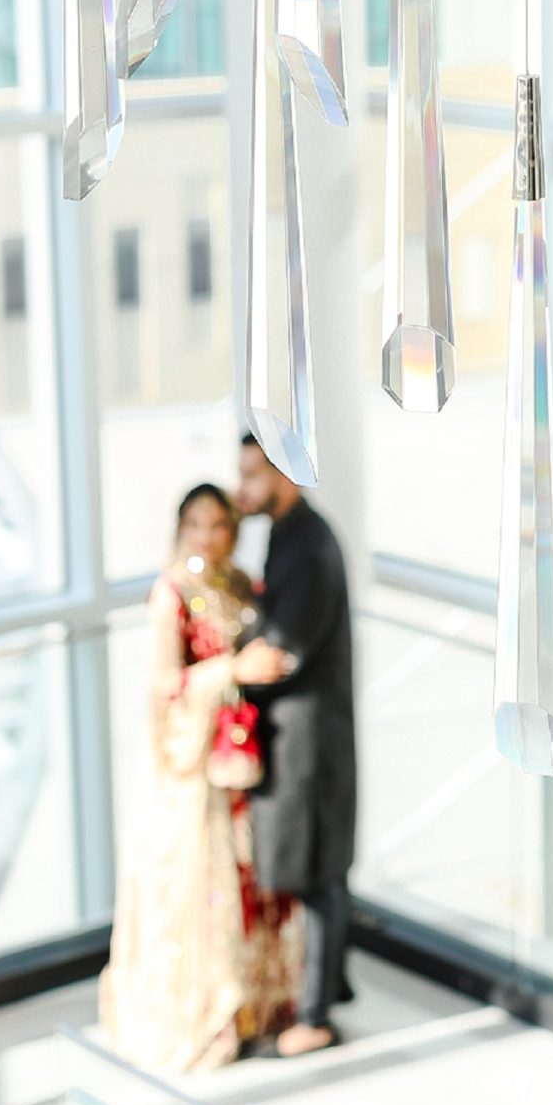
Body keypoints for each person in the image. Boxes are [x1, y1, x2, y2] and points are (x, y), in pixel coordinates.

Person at [99, 484, 301, 1072]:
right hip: (191, 773)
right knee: (202, 891)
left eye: (217, 525)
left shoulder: (236, 585)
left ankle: (252, 1006)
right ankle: (207, 1012)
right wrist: (230, 671)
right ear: (180, 527)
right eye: (195, 524)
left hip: (240, 765)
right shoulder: (172, 594)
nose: (206, 536)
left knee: (248, 879)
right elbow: (164, 689)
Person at [233, 431, 358, 1058]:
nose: (242, 490)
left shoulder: (309, 545)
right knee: (317, 869)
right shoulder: (290, 537)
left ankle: (316, 1013)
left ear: (285, 476)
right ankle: (325, 992)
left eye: (254, 477)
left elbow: (278, 654)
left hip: (311, 740)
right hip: (306, 734)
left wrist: (223, 668)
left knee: (318, 874)